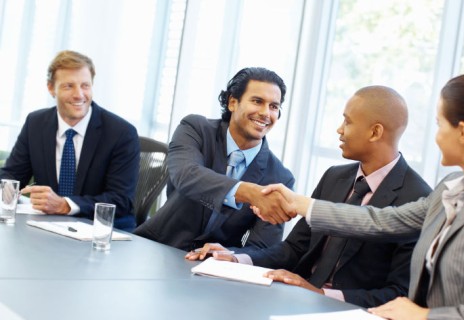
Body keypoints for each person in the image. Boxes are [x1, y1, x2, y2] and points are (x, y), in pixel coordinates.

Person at [257, 73, 464, 320]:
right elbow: (381, 221)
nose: (435, 136)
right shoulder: (452, 187)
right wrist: (302, 204)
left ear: (462, 132)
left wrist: (424, 317)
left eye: (440, 125)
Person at [187, 86, 432, 308]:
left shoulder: (418, 198)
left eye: (347, 122)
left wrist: (320, 294)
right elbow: (294, 248)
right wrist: (236, 259)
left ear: (375, 132)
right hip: (297, 301)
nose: (339, 129)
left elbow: (399, 294)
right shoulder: (335, 177)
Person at [134, 67, 295, 252]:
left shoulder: (280, 178)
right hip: (158, 247)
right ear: (232, 102)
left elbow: (263, 249)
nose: (266, 113)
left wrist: (231, 255)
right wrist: (249, 192)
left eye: (274, 106)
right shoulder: (195, 129)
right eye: (257, 101)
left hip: (214, 268)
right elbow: (186, 175)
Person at [0, 50, 139, 230]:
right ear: (51, 88)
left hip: (100, 232)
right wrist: (8, 193)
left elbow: (120, 200)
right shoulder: (36, 123)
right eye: (69, 86)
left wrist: (65, 205)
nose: (79, 95)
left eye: (85, 86)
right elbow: (12, 176)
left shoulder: (121, 133)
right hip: (47, 228)